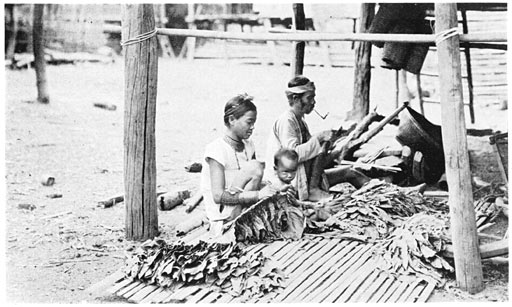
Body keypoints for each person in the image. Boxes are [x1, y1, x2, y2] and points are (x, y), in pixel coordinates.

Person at [264, 75, 370, 202]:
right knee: (322, 144)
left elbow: (313, 153)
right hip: (287, 182)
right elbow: (292, 156)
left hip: (304, 178)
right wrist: (319, 138)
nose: (313, 102)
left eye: (314, 97)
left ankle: (382, 191)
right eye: (309, 97)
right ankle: (313, 190)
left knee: (351, 172)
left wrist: (331, 142)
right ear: (295, 98)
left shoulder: (300, 121)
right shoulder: (287, 121)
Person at [200, 94, 278, 237]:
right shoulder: (216, 149)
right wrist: (257, 195)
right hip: (223, 215)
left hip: (243, 205)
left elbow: (255, 181)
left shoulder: (249, 145)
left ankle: (246, 216)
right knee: (255, 167)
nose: (252, 127)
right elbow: (217, 196)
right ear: (231, 120)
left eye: (254, 122)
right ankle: (236, 221)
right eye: (249, 122)